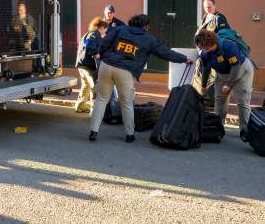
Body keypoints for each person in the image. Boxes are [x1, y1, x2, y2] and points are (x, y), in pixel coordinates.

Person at [89, 14, 192, 143]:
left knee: (101, 99)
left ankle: (93, 131)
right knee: (126, 103)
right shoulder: (148, 39)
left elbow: (104, 42)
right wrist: (184, 59)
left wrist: (103, 55)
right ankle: (129, 134)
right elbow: (165, 52)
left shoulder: (120, 30)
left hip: (106, 65)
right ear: (146, 26)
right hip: (125, 70)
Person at [195, 29, 254, 142]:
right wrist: (203, 86)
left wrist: (229, 84)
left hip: (241, 71)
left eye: (207, 48)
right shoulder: (204, 52)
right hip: (222, 74)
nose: (205, 50)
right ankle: (217, 126)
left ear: (213, 43)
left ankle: (245, 129)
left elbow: (235, 66)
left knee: (242, 102)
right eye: (202, 48)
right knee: (219, 100)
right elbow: (206, 68)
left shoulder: (227, 45)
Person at [74, 17, 109, 114]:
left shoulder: (88, 33)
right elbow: (89, 47)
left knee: (86, 85)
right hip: (88, 65)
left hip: (81, 64)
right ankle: (95, 110)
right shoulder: (95, 34)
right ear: (102, 28)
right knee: (95, 87)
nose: (105, 33)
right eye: (105, 30)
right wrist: (96, 54)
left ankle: (80, 106)